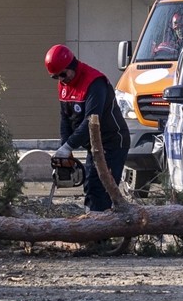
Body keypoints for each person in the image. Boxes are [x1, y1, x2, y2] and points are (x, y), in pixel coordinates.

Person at [46, 44, 131, 212]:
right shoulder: (64, 85)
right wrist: (65, 148)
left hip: (112, 142)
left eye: (63, 74)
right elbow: (65, 118)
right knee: (89, 185)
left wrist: (69, 145)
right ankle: (93, 225)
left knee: (101, 188)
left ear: (72, 65)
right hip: (94, 145)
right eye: (56, 77)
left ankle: (101, 232)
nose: (61, 79)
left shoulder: (95, 83)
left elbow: (91, 121)